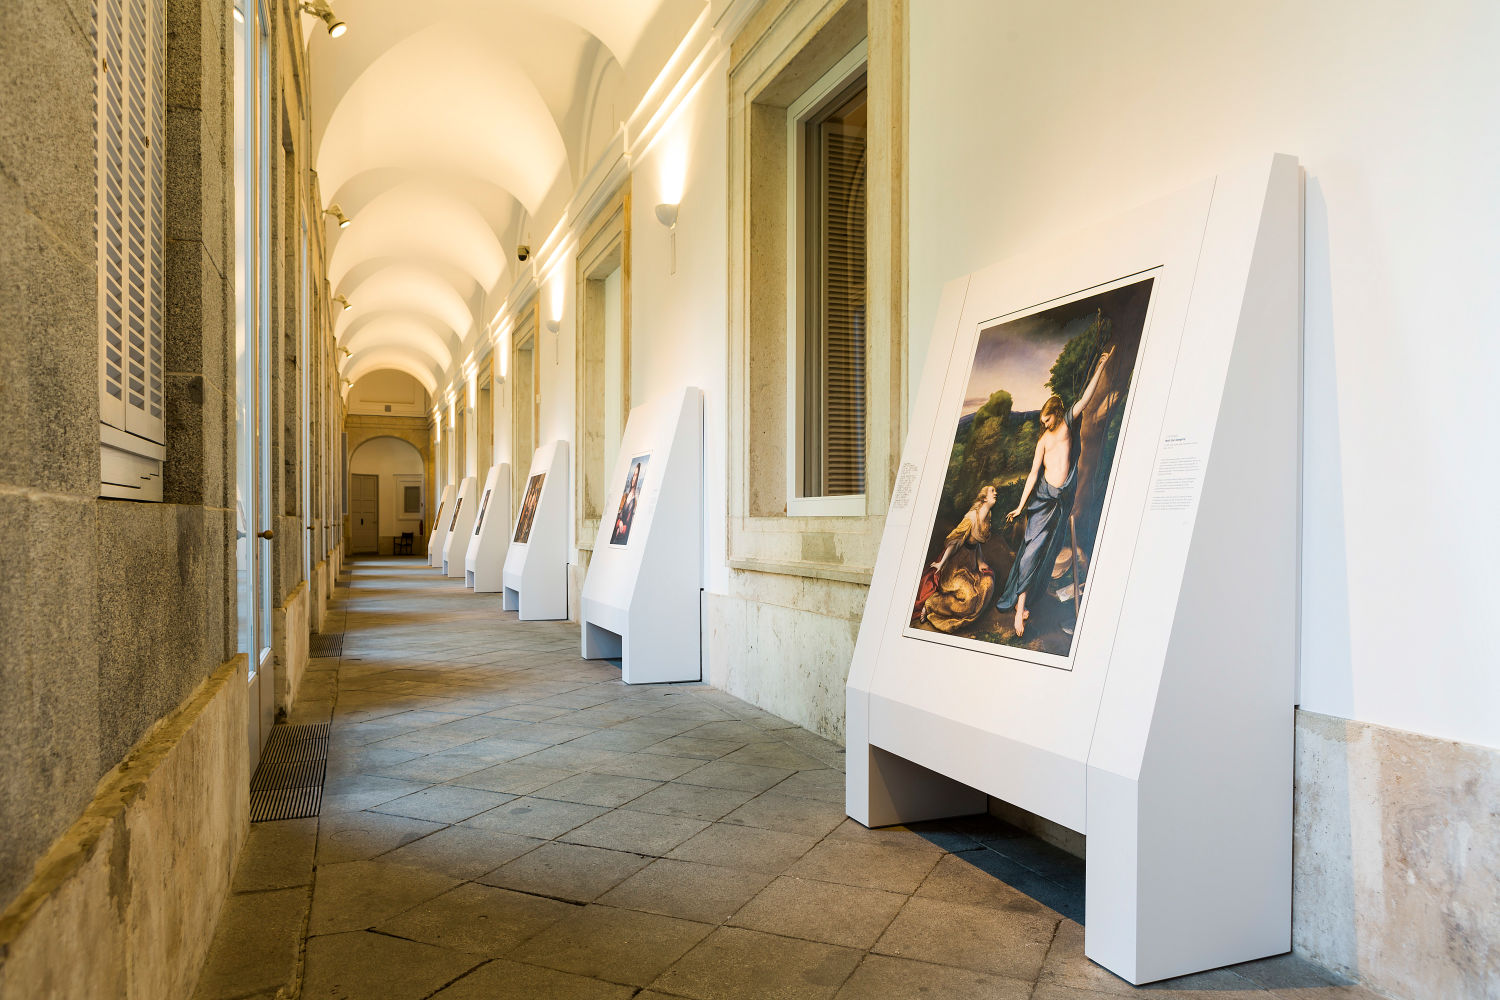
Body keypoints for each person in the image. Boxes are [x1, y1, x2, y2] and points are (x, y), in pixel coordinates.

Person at [997, 345, 1114, 636]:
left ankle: (1024, 604)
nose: (1044, 423)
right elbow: (1033, 474)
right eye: (1042, 421)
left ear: (1056, 413)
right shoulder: (1043, 441)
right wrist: (1021, 506)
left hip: (1061, 500)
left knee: (1045, 555)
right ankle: (1018, 609)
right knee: (1030, 553)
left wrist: (1100, 366)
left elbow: (1086, 399)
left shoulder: (1067, 424)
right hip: (1042, 500)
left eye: (1046, 419)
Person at [915, 485, 999, 633]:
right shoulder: (971, 518)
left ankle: (966, 614)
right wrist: (942, 563)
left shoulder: (988, 516)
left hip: (970, 564)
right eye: (992, 491)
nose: (996, 493)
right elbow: (955, 543)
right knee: (970, 597)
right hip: (955, 568)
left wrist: (980, 561)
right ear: (984, 498)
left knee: (987, 583)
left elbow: (976, 544)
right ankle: (932, 604)